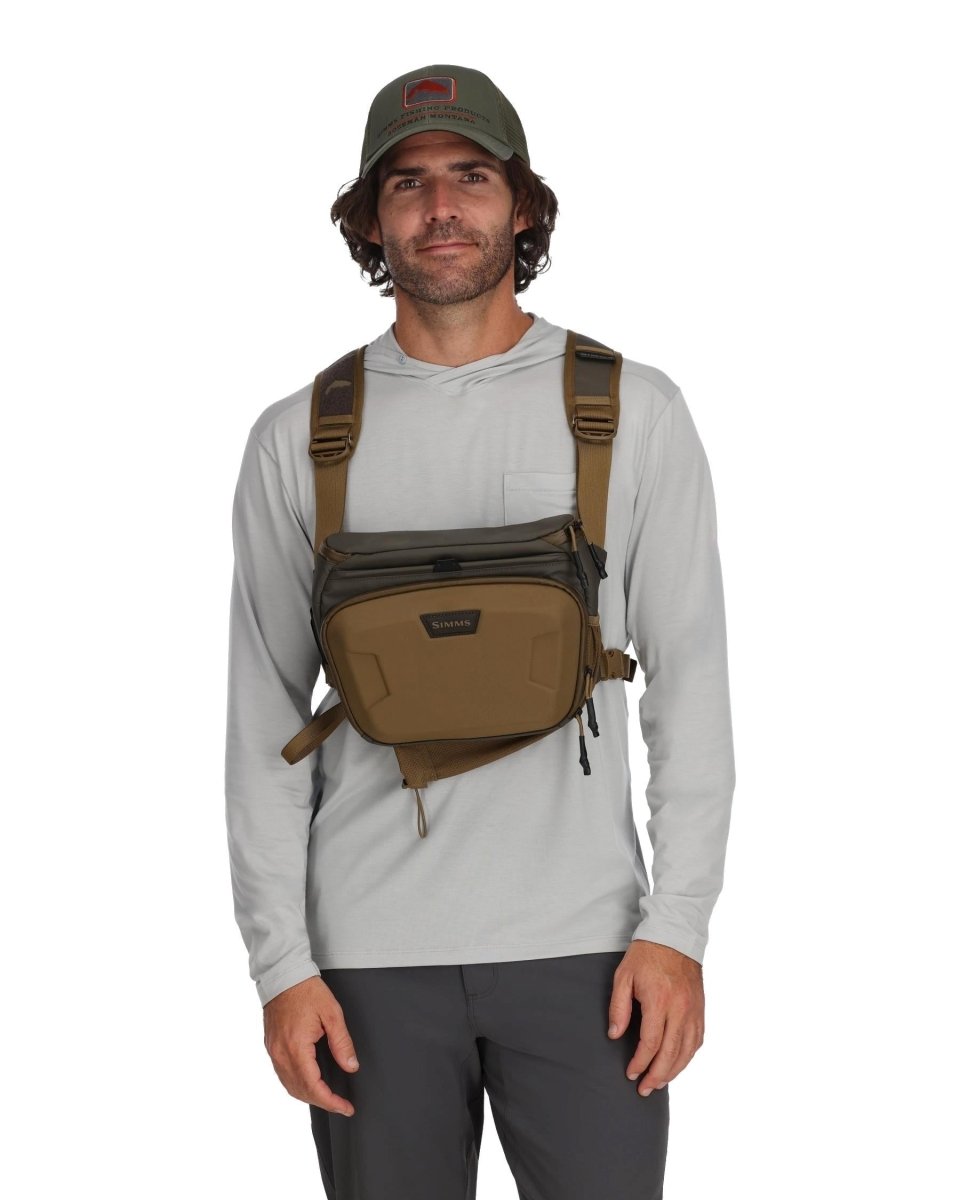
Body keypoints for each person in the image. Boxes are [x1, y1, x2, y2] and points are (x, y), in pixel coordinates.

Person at [225, 63, 736, 1200]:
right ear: (370, 220)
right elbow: (262, 723)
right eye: (406, 184)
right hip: (364, 964)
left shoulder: (633, 411)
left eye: (471, 176)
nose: (441, 207)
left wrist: (679, 930)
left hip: (593, 953)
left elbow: (692, 684)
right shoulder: (299, 437)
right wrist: (281, 965)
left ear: (523, 205)